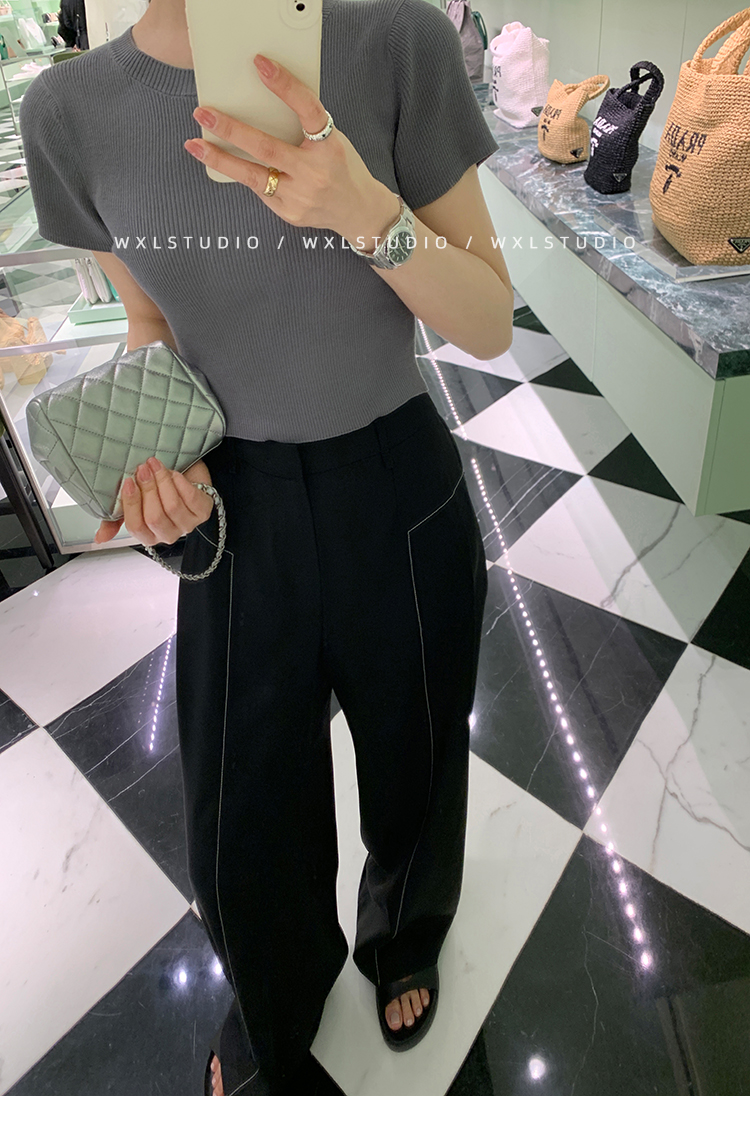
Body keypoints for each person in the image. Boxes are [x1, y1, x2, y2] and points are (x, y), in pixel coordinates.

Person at [20, 0, 513, 1096]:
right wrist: (167, 471)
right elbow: (154, 328)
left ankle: (404, 934)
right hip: (234, 499)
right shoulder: (69, 110)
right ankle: (276, 996)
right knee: (242, 806)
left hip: (395, 477)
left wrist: (364, 210)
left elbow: (488, 321)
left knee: (417, 753)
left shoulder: (397, 40)